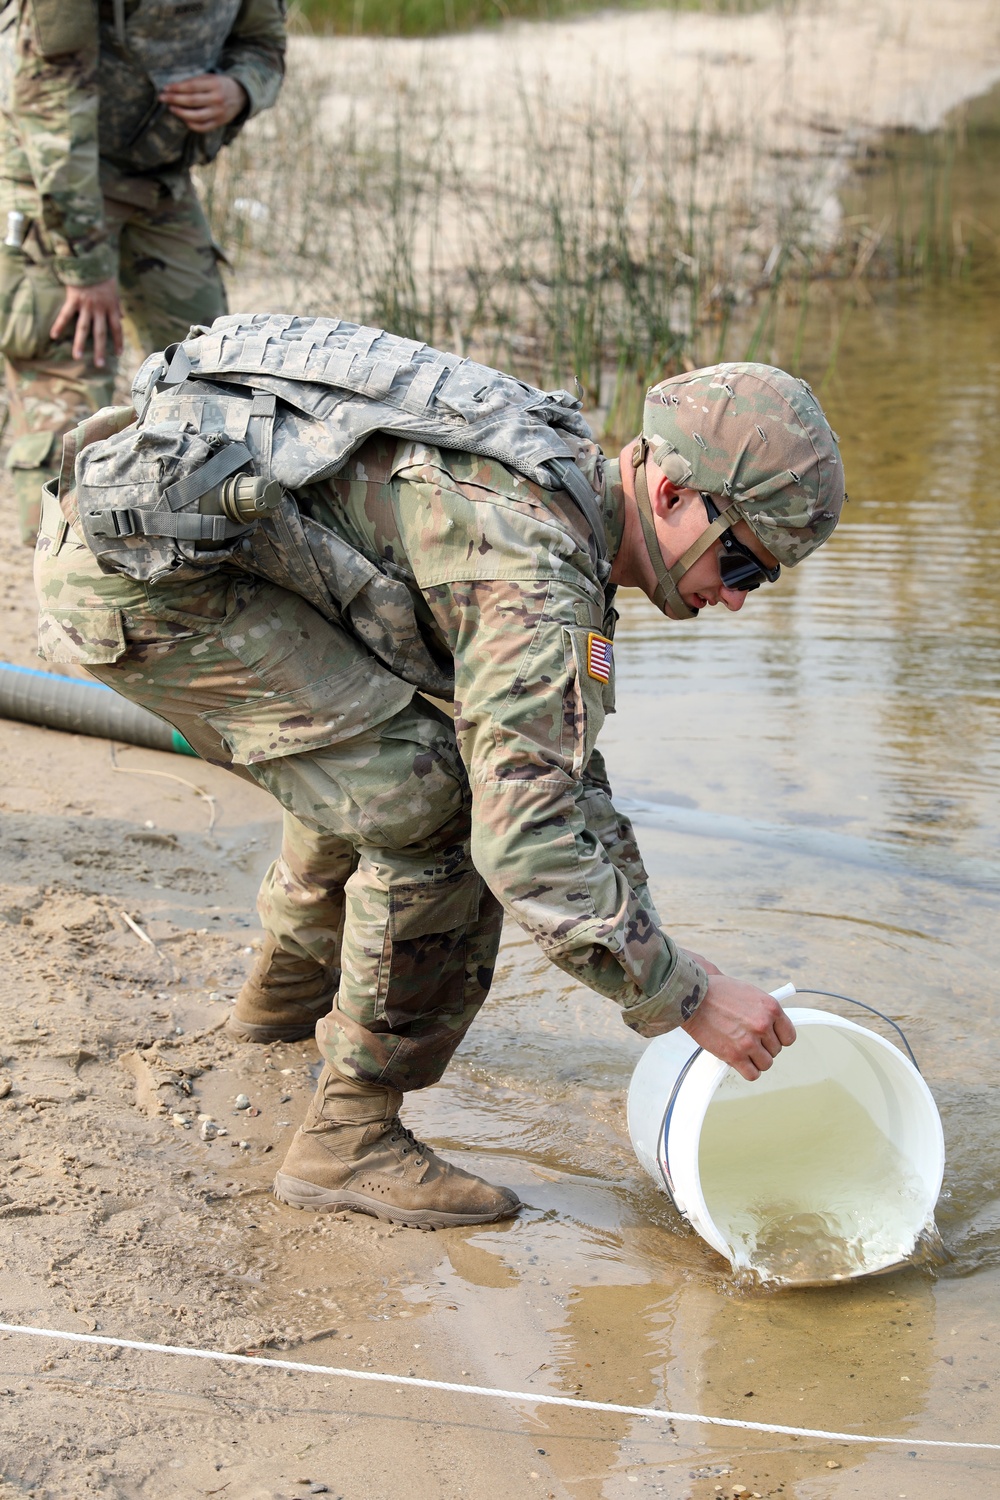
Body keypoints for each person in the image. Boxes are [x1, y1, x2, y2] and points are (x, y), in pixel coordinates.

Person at [33, 317, 846, 1229]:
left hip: (178, 543)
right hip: (142, 581)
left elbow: (561, 764)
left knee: (388, 749)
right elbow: (525, 843)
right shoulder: (536, 577)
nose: (734, 595)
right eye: (737, 557)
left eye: (761, 579)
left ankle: (280, 1003)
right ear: (667, 488)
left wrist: (659, 942)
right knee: (436, 807)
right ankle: (350, 1138)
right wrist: (686, 997)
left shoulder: (562, 485)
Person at [0, 0, 286, 545]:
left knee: (213, 378)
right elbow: (51, 107)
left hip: (159, 180)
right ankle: (72, 584)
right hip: (50, 178)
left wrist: (240, 89)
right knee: (66, 401)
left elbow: (263, 44)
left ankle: (185, 569)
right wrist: (82, 263)